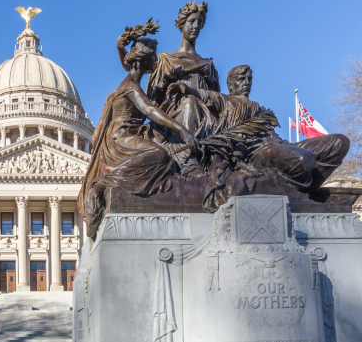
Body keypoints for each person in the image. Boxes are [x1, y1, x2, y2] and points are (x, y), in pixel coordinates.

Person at [78, 30, 199, 237]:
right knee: (160, 156)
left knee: (160, 155)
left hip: (122, 136)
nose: (156, 60)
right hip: (121, 140)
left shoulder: (130, 77)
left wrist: (119, 46)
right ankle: (104, 183)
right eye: (153, 57)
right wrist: (182, 129)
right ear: (143, 61)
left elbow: (128, 63)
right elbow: (150, 111)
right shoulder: (132, 87)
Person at [226, 65, 349, 200]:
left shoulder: (259, 108)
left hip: (278, 146)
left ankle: (308, 189)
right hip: (256, 152)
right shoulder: (224, 104)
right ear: (230, 85)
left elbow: (273, 136)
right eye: (242, 79)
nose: (247, 83)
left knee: (340, 143)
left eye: (249, 79)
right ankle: (302, 192)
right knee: (305, 159)